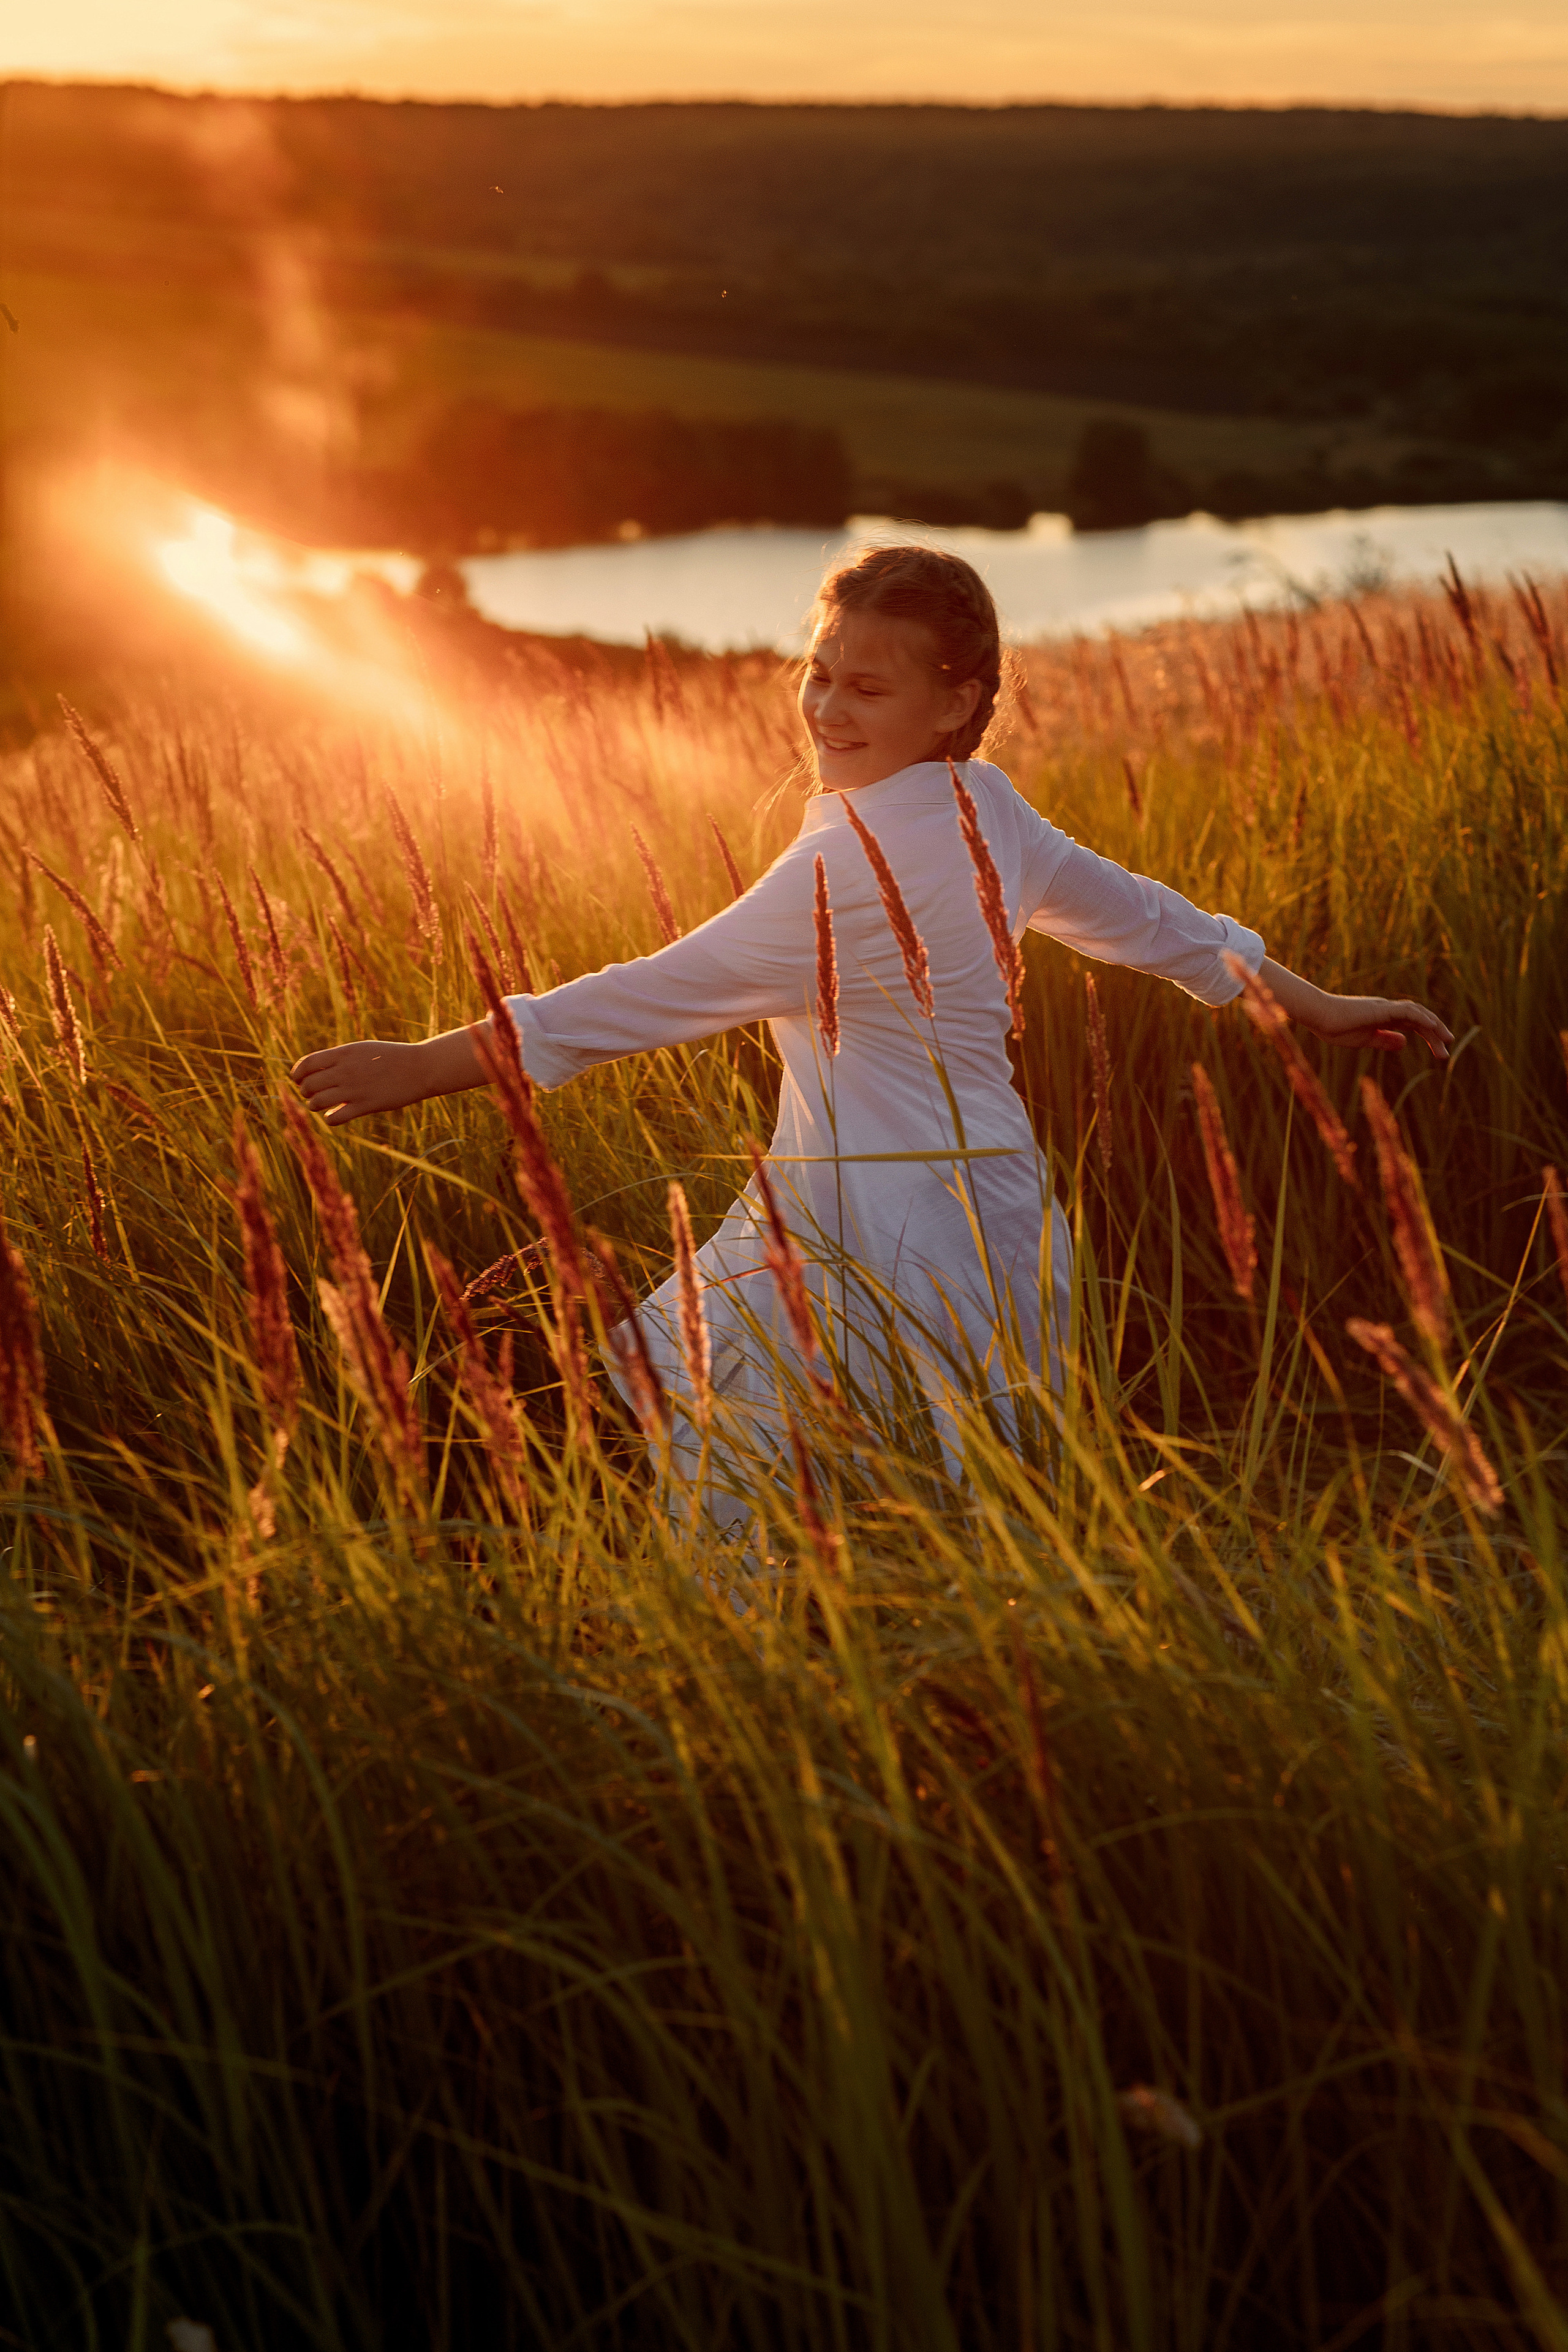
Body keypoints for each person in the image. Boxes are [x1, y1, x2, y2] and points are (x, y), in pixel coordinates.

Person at [292, 544, 1452, 1532]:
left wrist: (422, 1067)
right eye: (820, 675)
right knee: (941, 1498)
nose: (829, 712)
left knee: (780, 1468)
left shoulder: (847, 871)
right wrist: (1321, 1005)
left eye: (868, 690)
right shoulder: (983, 804)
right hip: (991, 1207)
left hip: (885, 1232)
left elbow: (627, 1002)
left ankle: (776, 1690)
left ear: (955, 702)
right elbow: (1163, 927)